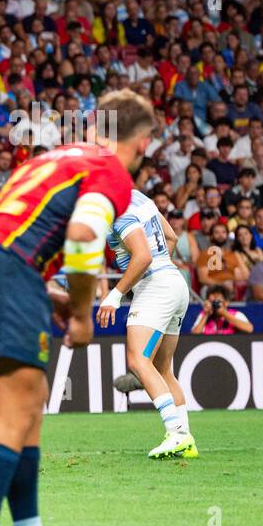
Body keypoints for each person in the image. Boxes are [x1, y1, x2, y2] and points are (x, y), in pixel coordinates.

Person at [0, 90, 153, 526]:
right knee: (15, 409)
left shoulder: (58, 156)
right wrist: (81, 313)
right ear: (141, 144)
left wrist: (44, 291)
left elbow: (20, 227)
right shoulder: (111, 171)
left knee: (26, 408)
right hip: (3, 272)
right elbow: (82, 235)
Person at [97, 190, 197, 460]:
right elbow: (171, 237)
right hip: (175, 282)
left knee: (139, 361)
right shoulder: (139, 197)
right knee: (163, 369)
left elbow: (143, 256)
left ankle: (176, 432)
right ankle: (186, 438)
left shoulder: (118, 212)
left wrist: (114, 296)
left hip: (156, 287)